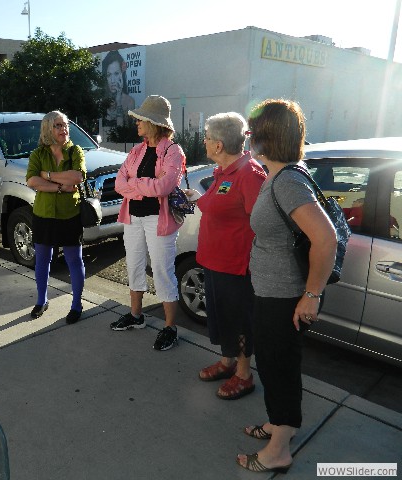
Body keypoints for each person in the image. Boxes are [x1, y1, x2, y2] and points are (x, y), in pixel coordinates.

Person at [236, 99, 336, 473]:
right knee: (273, 363)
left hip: (284, 297)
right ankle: (278, 426)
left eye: (251, 131)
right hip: (270, 291)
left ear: (266, 136)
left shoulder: (289, 182)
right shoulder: (279, 176)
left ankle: (279, 450)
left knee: (279, 368)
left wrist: (311, 295)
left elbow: (325, 239)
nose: (247, 138)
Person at [185, 112, 266, 399]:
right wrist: (198, 199)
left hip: (236, 267)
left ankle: (244, 375)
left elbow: (262, 225)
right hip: (215, 262)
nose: (204, 143)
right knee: (222, 319)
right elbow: (218, 202)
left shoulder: (249, 174)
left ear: (218, 145)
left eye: (206, 138)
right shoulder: (224, 172)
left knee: (239, 322)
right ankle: (228, 362)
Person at [112, 95, 185, 351]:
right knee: (134, 265)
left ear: (153, 122)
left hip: (159, 219)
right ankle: (136, 315)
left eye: (140, 120)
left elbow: (166, 186)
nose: (137, 124)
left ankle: (170, 327)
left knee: (163, 271)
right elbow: (118, 184)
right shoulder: (137, 150)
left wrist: (136, 185)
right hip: (133, 217)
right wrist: (146, 188)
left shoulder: (173, 151)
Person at [25, 111, 86, 324]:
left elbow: (77, 177)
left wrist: (47, 176)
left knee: (74, 260)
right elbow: (32, 181)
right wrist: (61, 187)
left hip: (70, 214)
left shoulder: (75, 151)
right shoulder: (38, 154)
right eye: (58, 125)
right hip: (43, 214)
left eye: (66, 125)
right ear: (48, 129)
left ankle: (77, 304)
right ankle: (42, 300)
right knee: (42, 259)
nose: (64, 129)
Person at [102, 50, 135, 127]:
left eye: (116, 74)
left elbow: (123, 129)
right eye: (109, 75)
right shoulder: (101, 101)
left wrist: (119, 101)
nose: (113, 80)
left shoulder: (129, 101)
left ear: (122, 74)